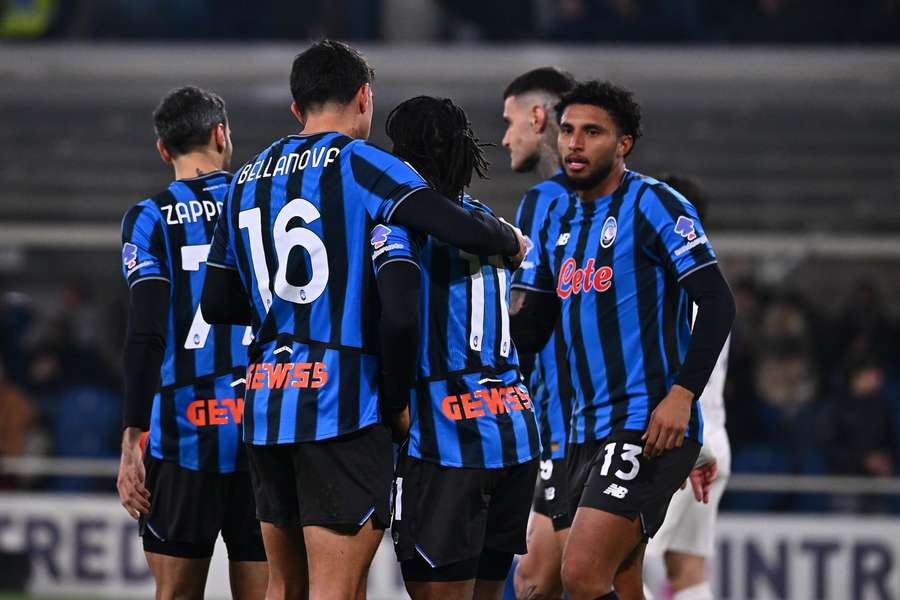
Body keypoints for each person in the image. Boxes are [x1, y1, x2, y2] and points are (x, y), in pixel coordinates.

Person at [200, 40, 526, 600]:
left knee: (284, 586)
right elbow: (453, 224)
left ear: (296, 107)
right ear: (364, 97)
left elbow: (216, 302)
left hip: (268, 403)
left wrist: (288, 310)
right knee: (338, 588)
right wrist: (510, 240)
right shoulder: (361, 163)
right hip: (341, 405)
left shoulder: (245, 181)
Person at [509, 80, 733, 600]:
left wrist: (682, 397)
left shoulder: (654, 204)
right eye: (568, 131)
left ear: (623, 143)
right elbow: (530, 328)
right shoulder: (557, 218)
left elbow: (718, 302)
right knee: (621, 582)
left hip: (645, 424)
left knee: (580, 574)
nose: (575, 143)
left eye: (592, 132)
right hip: (580, 428)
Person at [373, 95, 541, 600]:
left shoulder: (402, 223)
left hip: (447, 437)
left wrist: (394, 403)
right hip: (513, 430)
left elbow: (400, 320)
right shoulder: (489, 222)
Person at [116, 86, 267, 600]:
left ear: (163, 149)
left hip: (183, 430)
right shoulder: (262, 204)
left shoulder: (150, 218)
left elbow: (145, 332)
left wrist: (132, 438)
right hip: (264, 424)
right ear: (220, 134)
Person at [500, 66, 577, 600]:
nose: (506, 139)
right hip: (564, 420)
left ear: (536, 116)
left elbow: (522, 318)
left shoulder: (547, 203)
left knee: (585, 578)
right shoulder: (611, 199)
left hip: (580, 422)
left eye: (509, 123)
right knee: (538, 579)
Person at [644, 175, 731, 600]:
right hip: (715, 438)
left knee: (624, 561)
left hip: (678, 440)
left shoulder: (674, 289)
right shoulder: (710, 285)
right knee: (688, 573)